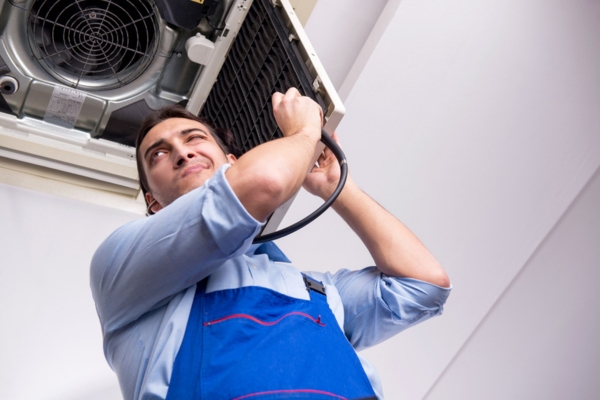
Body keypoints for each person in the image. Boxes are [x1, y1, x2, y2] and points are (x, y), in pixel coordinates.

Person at [90, 88, 451, 400]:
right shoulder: (121, 268)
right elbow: (263, 182)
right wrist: (305, 131)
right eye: (159, 154)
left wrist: (335, 186)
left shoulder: (319, 290)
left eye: (194, 138)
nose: (182, 153)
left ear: (232, 162)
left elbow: (422, 285)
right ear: (152, 202)